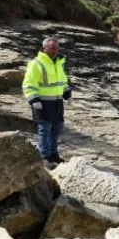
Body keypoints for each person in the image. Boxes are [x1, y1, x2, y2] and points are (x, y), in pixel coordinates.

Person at [22, 36, 71, 169]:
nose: (54, 51)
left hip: (57, 103)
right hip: (42, 103)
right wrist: (34, 100)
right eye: (51, 48)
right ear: (44, 48)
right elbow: (28, 84)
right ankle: (44, 157)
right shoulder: (36, 63)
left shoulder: (59, 62)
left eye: (56, 48)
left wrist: (67, 94)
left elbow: (63, 81)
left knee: (57, 128)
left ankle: (53, 154)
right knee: (45, 130)